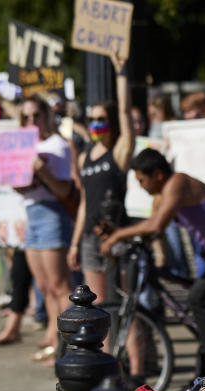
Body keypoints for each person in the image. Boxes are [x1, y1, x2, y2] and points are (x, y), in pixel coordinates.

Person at [99, 148, 205, 374]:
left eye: (142, 180)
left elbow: (156, 225)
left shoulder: (177, 183)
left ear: (158, 174)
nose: (141, 186)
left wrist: (118, 236)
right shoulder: (162, 195)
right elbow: (153, 229)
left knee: (200, 297)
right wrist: (116, 231)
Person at [68, 53, 134, 311]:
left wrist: (121, 73)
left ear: (112, 122)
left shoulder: (119, 151)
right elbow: (85, 202)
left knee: (127, 307)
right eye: (92, 119)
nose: (96, 124)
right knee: (98, 308)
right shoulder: (85, 155)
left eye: (102, 119)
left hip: (118, 233)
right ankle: (103, 353)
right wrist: (75, 243)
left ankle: (137, 353)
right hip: (90, 239)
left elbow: (126, 112)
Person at [12, 95, 77, 362]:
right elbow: (22, 188)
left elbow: (65, 189)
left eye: (35, 115)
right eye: (25, 117)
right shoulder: (26, 145)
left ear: (47, 116)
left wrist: (42, 171)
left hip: (52, 213)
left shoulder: (57, 145)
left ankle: (70, 346)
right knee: (43, 285)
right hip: (33, 213)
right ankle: (54, 337)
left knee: (60, 286)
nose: (31, 121)